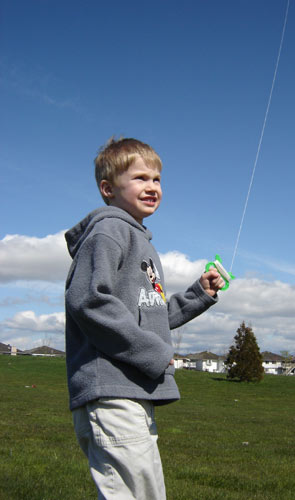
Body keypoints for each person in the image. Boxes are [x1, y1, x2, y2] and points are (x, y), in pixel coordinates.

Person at [64, 137, 224, 500]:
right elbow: (89, 302)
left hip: (132, 392)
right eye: (140, 178)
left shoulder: (142, 242)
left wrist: (200, 294)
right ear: (108, 188)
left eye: (157, 179)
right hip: (111, 391)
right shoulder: (108, 232)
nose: (152, 187)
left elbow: (150, 314)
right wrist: (153, 353)